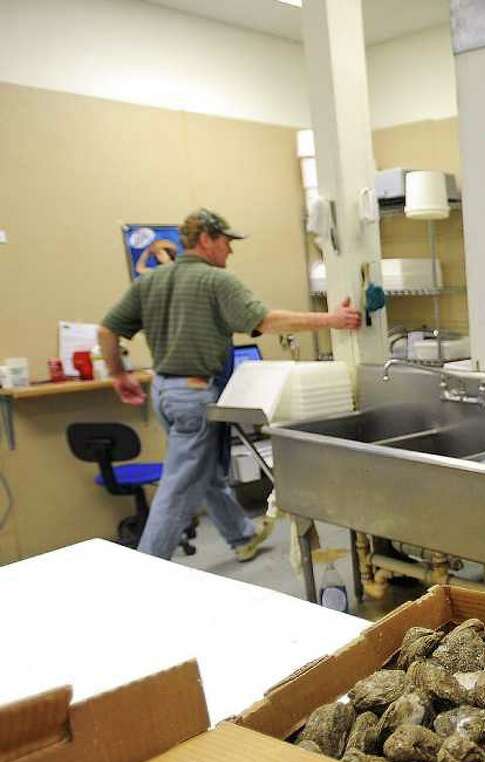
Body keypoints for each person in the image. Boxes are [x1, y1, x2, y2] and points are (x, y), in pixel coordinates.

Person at [99, 208, 362, 562]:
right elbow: (266, 321)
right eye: (226, 241)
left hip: (162, 392)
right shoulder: (216, 281)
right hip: (193, 394)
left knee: (202, 473)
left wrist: (119, 375)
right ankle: (148, 567)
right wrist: (333, 320)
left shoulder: (151, 281)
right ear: (206, 239)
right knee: (177, 490)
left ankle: (241, 537)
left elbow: (107, 330)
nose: (231, 250)